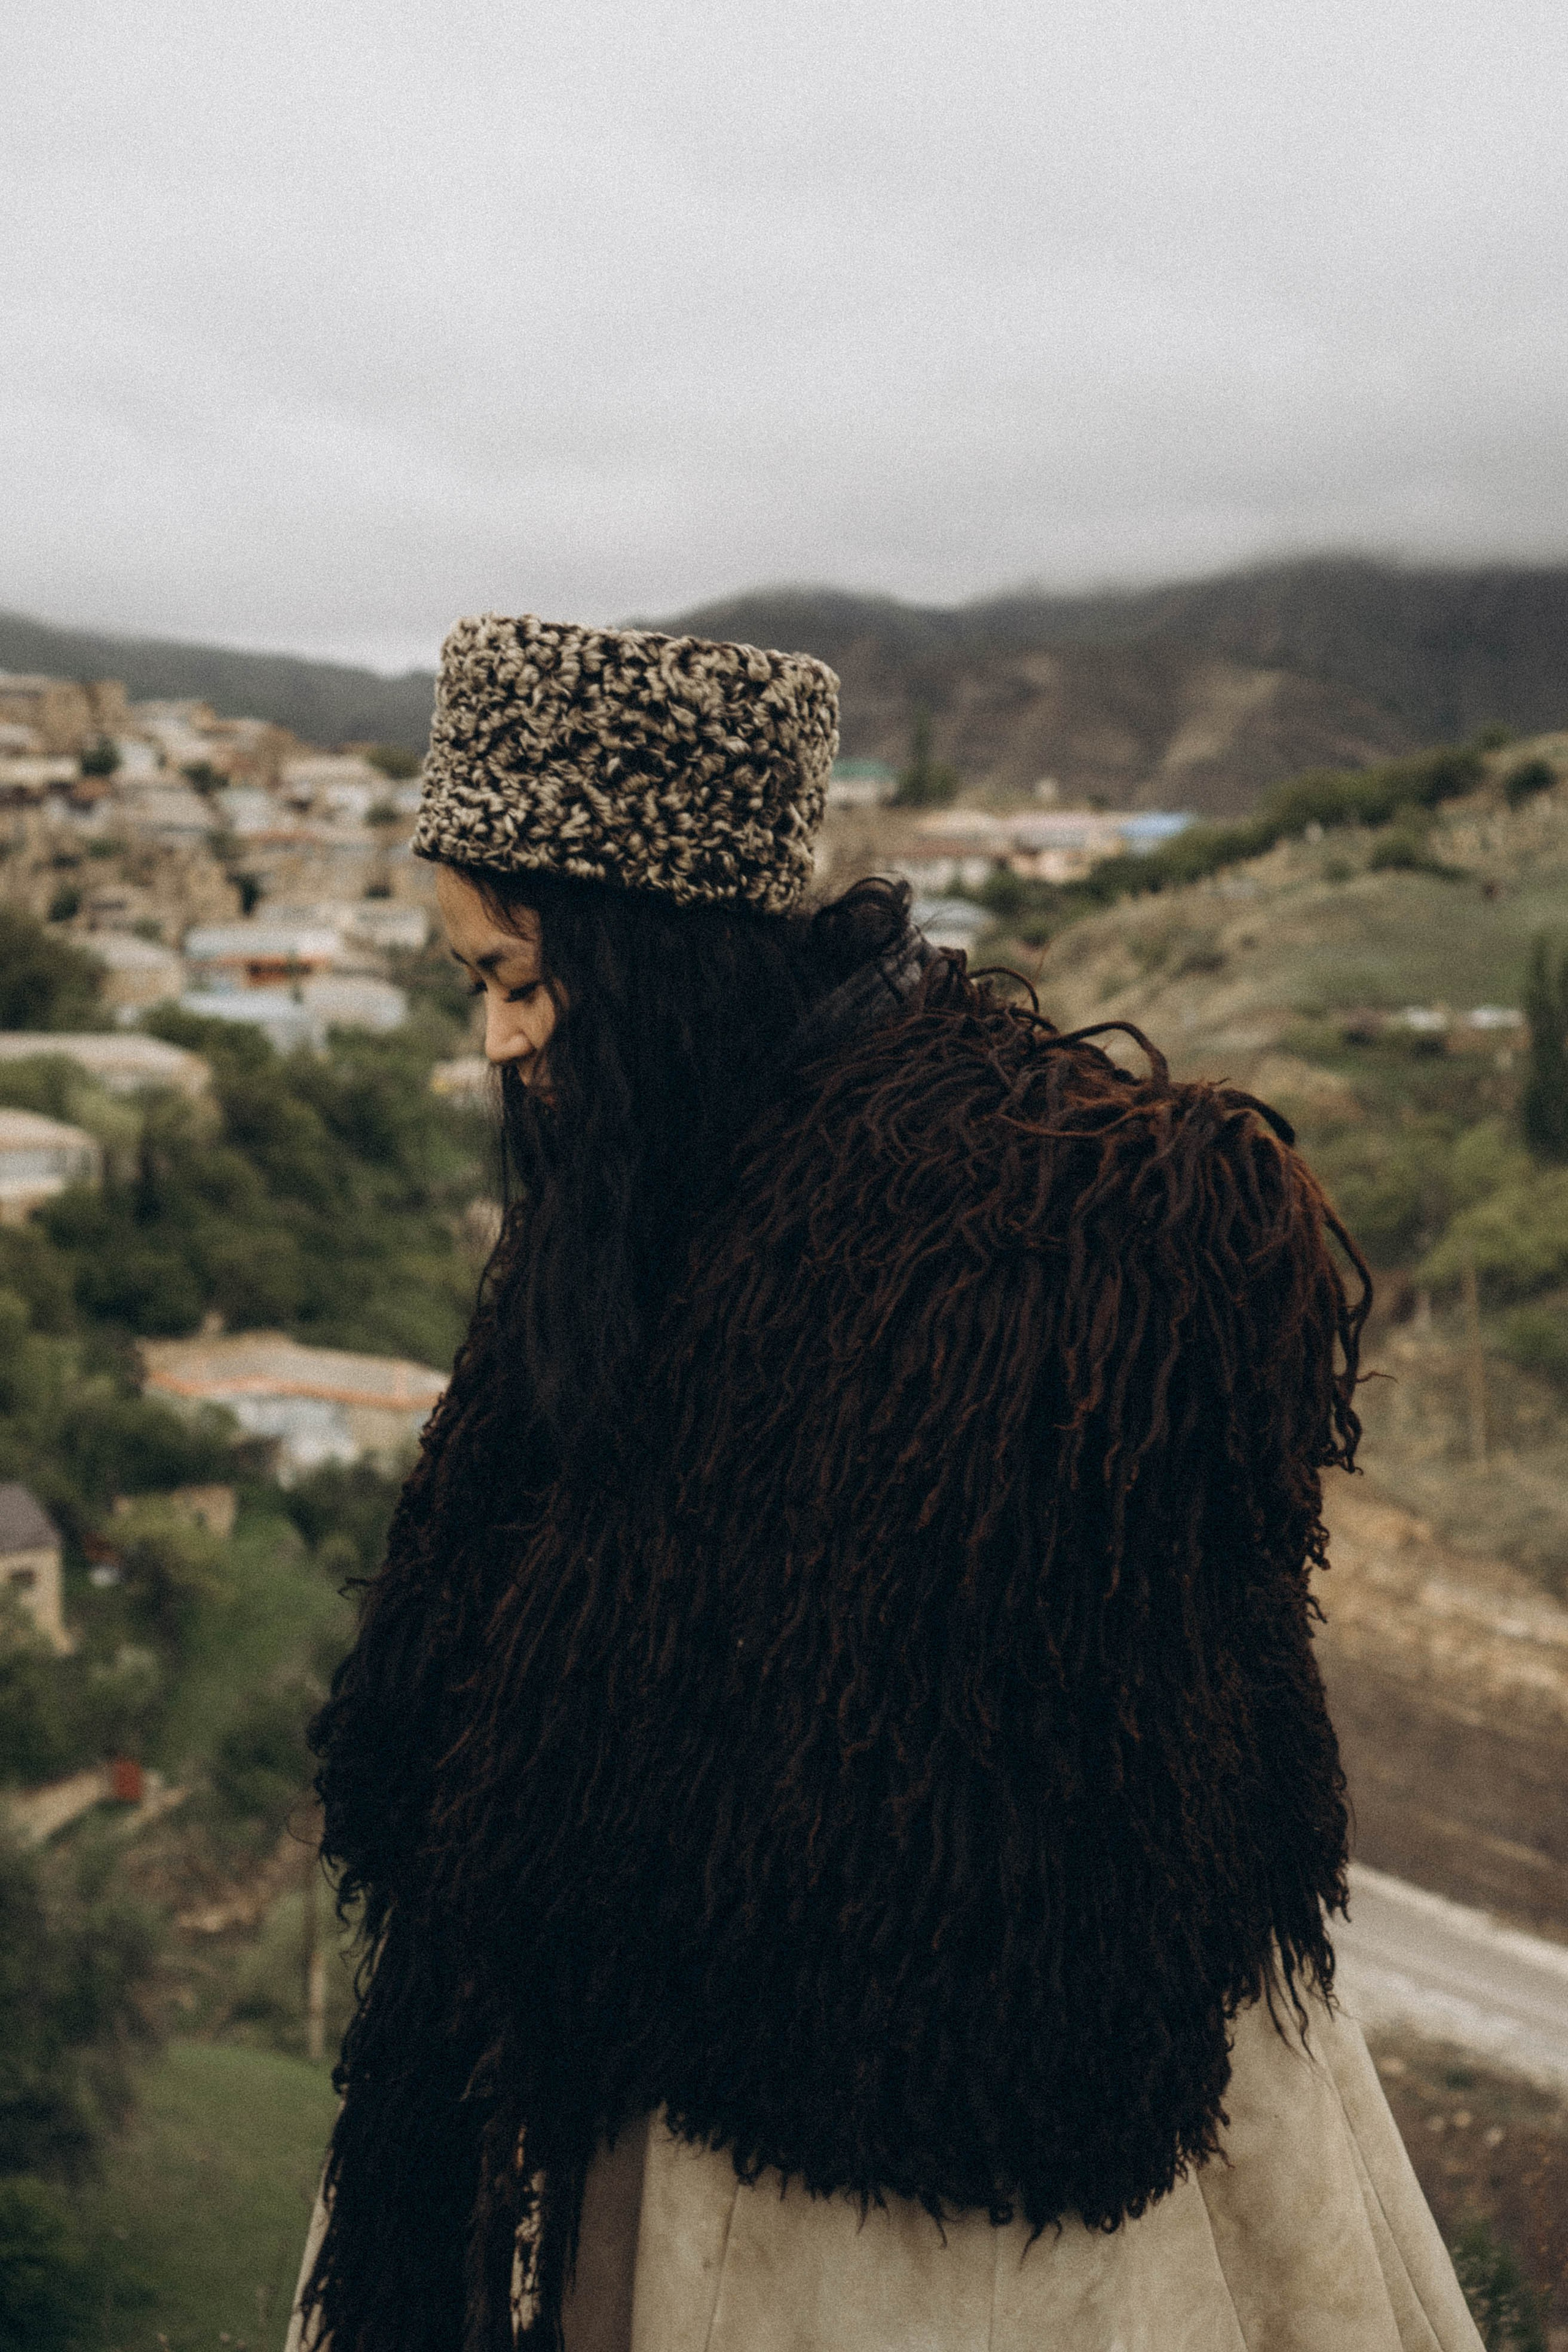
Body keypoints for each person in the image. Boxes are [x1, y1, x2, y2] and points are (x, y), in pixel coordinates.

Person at [292, 614, 1482, 2352]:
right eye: (476, 985)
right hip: (651, 2110)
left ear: (651, 957)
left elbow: (997, 1823)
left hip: (918, 2221)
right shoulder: (658, 1174)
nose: (497, 1044)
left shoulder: (1034, 1246)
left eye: (524, 982)